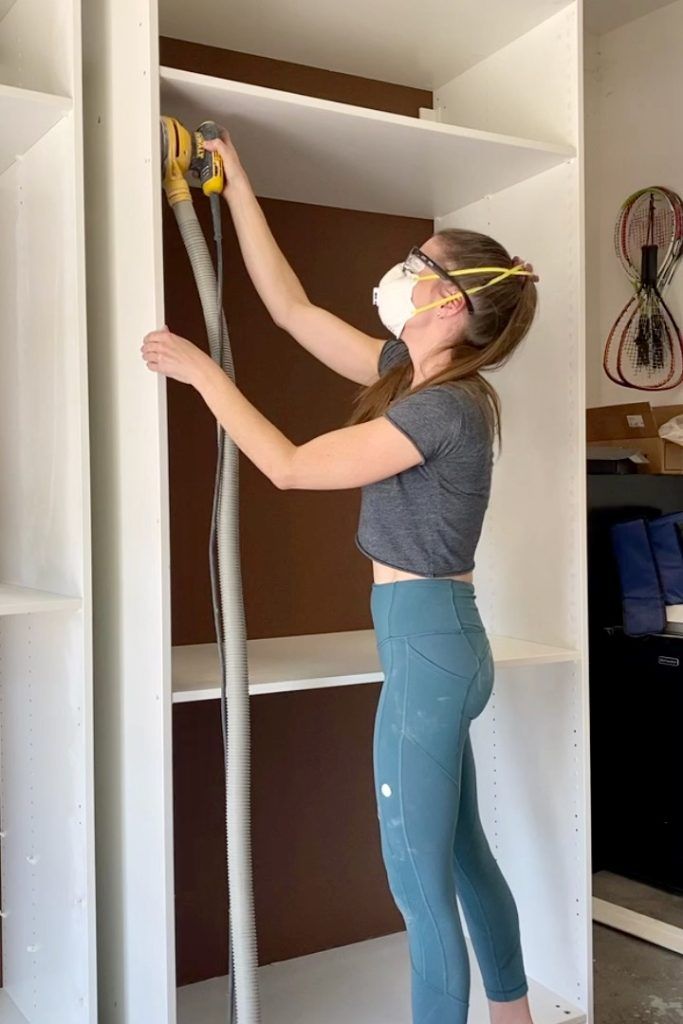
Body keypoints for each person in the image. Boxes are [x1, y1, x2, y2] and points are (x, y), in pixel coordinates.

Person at [141, 129, 539, 1024]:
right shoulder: (412, 375)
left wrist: (201, 373)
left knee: (415, 883)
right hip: (438, 641)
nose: (398, 274)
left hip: (430, 648)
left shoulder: (442, 410)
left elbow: (285, 464)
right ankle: (513, 1018)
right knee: (463, 858)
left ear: (445, 303)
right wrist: (235, 183)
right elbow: (289, 311)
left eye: (414, 266)